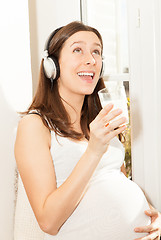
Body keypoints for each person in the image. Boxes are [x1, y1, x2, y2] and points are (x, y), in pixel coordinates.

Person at [14, 21, 161, 240]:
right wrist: (94, 150)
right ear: (52, 66)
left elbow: (117, 181)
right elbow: (48, 221)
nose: (91, 59)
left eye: (96, 51)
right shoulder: (35, 126)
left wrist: (152, 216)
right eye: (77, 50)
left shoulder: (99, 122)